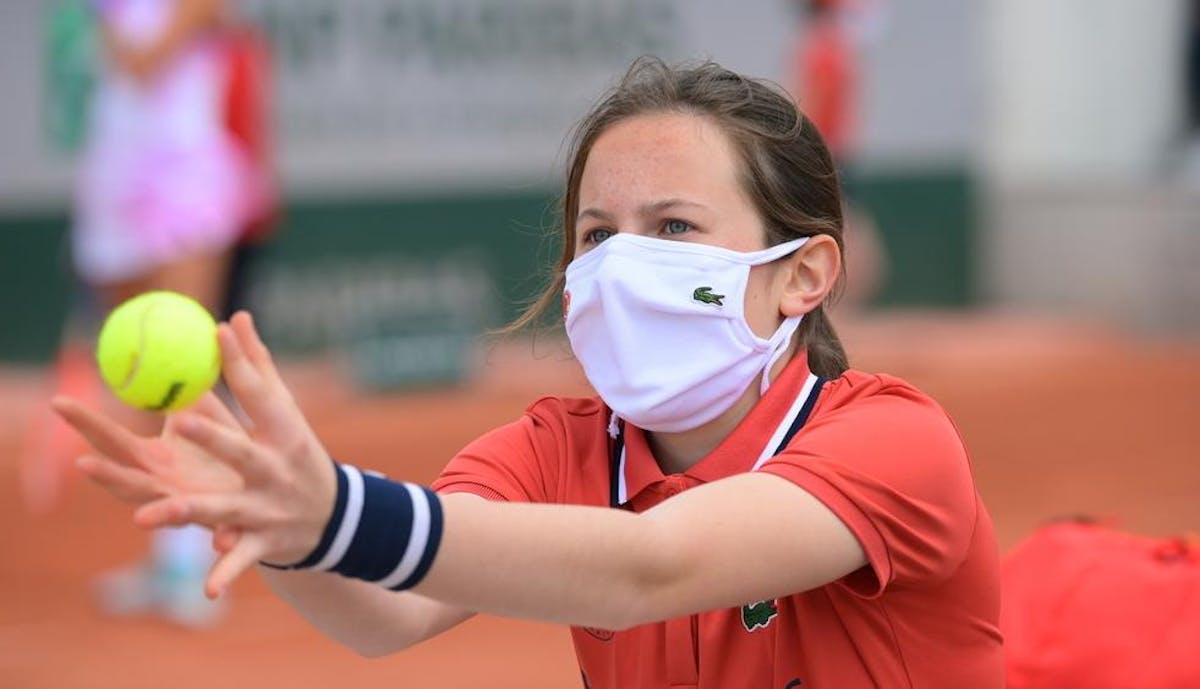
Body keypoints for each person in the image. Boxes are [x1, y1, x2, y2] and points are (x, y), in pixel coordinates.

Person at [53, 58, 1003, 686]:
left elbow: (652, 566)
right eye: (598, 234)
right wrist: (282, 524)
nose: (623, 263)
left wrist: (335, 508)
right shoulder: (558, 449)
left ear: (804, 274)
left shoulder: (894, 441)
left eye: (673, 226)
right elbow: (389, 606)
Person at [27, 0, 262, 628]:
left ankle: (196, 557)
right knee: (140, 385)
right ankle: (173, 549)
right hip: (113, 172)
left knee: (188, 368)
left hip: (184, 170)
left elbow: (144, 59)